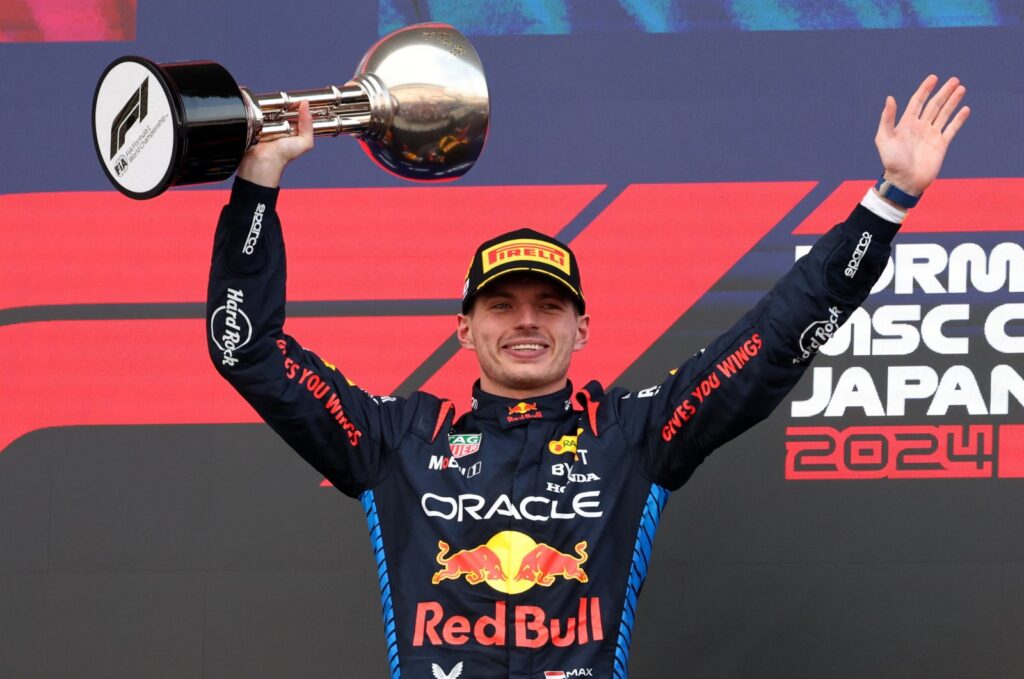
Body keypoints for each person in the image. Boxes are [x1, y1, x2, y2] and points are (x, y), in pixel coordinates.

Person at [206, 75, 969, 678]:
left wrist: (887, 202)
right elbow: (248, 349)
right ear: (465, 330)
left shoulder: (630, 435)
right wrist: (258, 183)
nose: (527, 321)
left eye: (549, 304)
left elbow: (768, 343)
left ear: (583, 328)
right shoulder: (396, 438)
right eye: (501, 305)